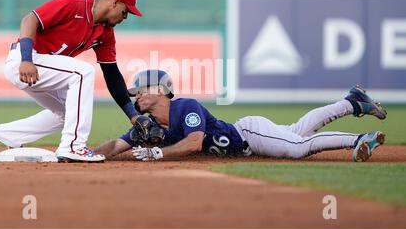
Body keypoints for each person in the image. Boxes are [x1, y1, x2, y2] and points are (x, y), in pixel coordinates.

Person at [0, 0, 152, 162]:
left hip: (45, 69)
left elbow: (112, 74)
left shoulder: (105, 33)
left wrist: (133, 116)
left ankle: (9, 134)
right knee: (83, 72)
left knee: (67, 112)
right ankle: (73, 146)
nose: (125, 17)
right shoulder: (73, 3)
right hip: (25, 61)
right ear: (115, 2)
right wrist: (27, 59)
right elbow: (30, 20)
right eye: (125, 11)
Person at [95, 70, 387, 162]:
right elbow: (115, 147)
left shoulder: (185, 107)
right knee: (298, 130)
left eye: (140, 91)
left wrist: (159, 154)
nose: (136, 96)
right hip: (247, 142)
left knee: (297, 148)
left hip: (248, 134)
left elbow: (195, 142)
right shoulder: (146, 127)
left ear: (159, 89)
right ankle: (352, 103)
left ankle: (358, 139)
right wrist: (89, 154)